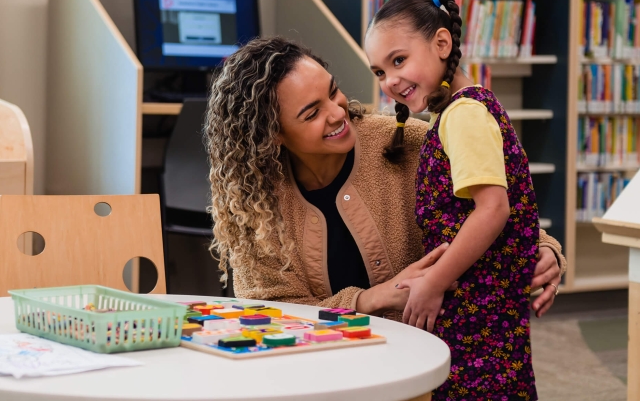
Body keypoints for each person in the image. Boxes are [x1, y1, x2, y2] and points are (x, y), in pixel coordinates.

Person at [205, 37, 564, 326]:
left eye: (333, 92)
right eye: (312, 113)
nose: (337, 113)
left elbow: (496, 201)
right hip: (325, 369)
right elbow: (269, 314)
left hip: (433, 355)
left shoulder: (409, 142)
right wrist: (371, 299)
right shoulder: (256, 201)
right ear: (273, 136)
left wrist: (545, 249)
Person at [364, 0, 542, 401]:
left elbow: (494, 209)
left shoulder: (463, 115)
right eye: (379, 71)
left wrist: (435, 282)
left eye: (398, 60)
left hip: (474, 309)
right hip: (475, 304)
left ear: (442, 45)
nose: (390, 80)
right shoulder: (460, 111)